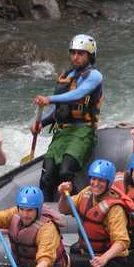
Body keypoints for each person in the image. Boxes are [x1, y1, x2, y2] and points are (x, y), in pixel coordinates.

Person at [31, 34, 103, 201]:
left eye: (81, 53)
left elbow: (77, 94)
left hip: (83, 132)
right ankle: (44, 213)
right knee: (47, 174)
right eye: (73, 53)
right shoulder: (66, 76)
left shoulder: (95, 76)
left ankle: (77, 205)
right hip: (62, 132)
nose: (76, 57)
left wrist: (49, 99)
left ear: (90, 56)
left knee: (65, 171)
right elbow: (60, 111)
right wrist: (42, 123)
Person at [58, 158, 131, 267]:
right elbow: (64, 209)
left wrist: (104, 258)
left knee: (65, 262)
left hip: (111, 260)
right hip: (88, 251)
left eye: (101, 180)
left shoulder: (115, 209)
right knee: (72, 249)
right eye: (93, 179)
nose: (95, 183)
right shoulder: (87, 192)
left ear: (109, 182)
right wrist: (63, 195)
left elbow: (122, 242)